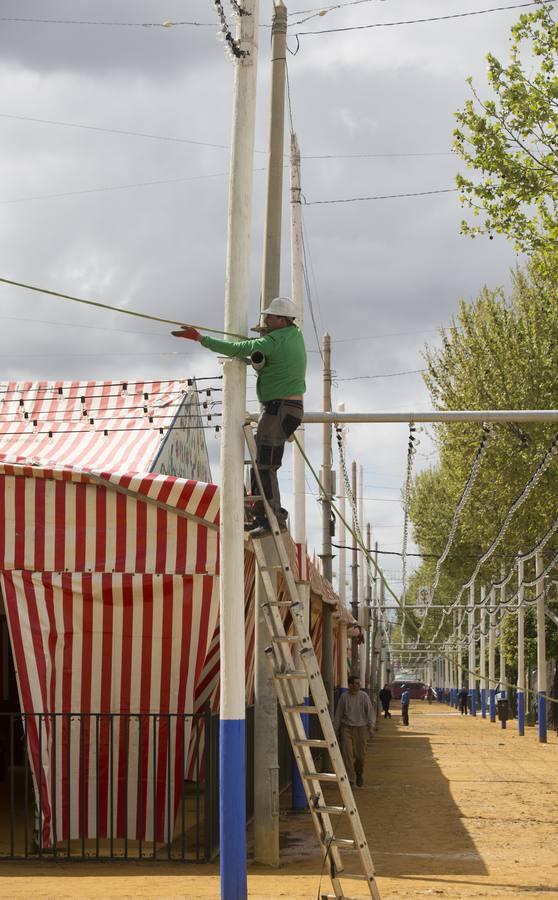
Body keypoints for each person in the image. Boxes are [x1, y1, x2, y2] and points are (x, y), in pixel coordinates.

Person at [172, 297, 306, 537]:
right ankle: (264, 515)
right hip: (289, 409)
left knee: (264, 465)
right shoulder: (295, 336)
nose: (266, 320)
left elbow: (235, 349)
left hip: (279, 408)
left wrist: (200, 338)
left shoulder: (272, 342)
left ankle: (271, 517)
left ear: (282, 319)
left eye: (270, 317)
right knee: (263, 464)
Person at [333, 675, 374, 787]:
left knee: (360, 756)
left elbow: (369, 712)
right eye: (356, 684)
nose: (358, 686)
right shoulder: (344, 697)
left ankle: (359, 773)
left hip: (361, 729)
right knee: (347, 755)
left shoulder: (364, 696)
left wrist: (371, 726)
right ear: (350, 685)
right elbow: (338, 714)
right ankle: (351, 779)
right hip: (346, 728)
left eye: (359, 684)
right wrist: (335, 731)